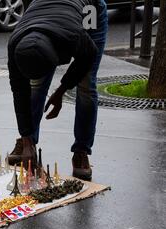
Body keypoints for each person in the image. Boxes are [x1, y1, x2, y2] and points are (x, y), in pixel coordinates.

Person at [6, 0, 108, 181]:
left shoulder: (74, 36)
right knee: (36, 86)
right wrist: (26, 136)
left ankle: (81, 151)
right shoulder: (15, 43)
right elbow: (19, 92)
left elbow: (87, 57)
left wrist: (61, 92)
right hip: (50, 14)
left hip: (89, 10)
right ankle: (28, 141)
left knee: (85, 86)